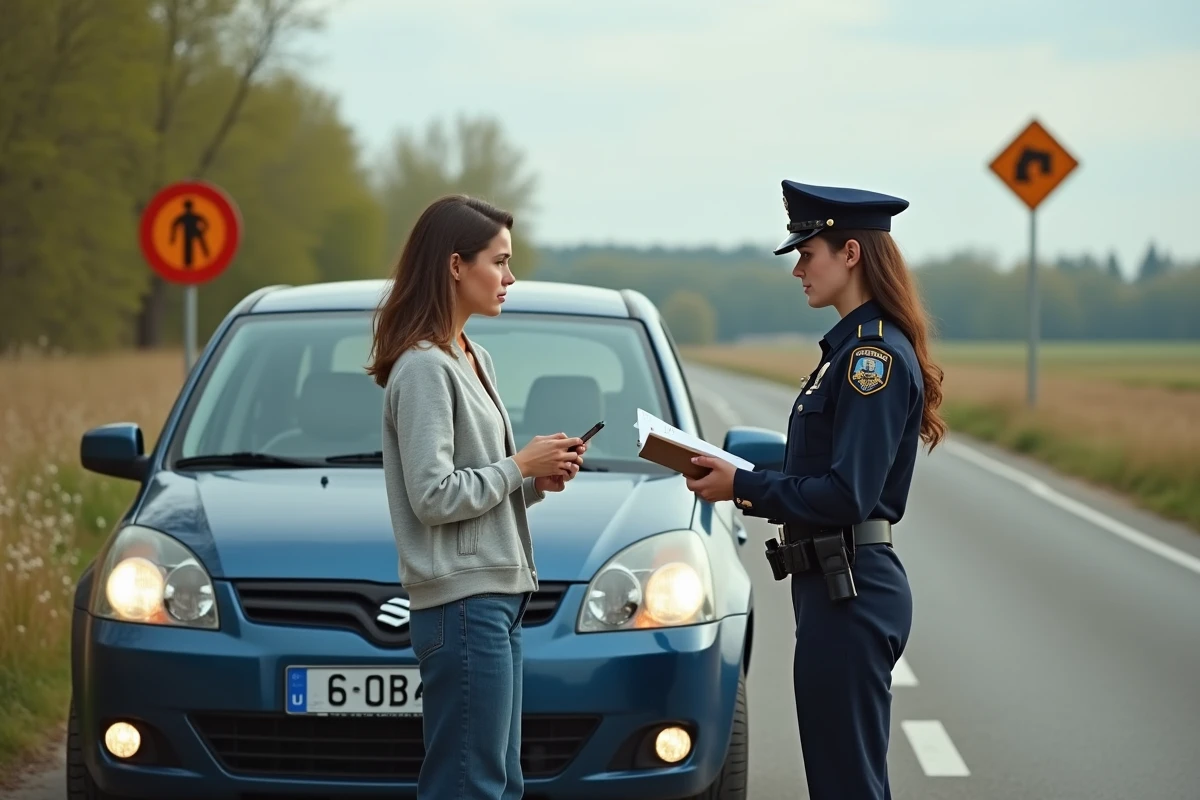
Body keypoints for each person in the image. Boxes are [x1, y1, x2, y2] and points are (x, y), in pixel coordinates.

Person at [684, 180, 947, 800]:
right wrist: (746, 473)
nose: (798, 268)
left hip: (850, 587)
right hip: (833, 585)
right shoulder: (848, 352)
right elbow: (821, 468)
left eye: (808, 253)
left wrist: (743, 487)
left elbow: (848, 493)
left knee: (846, 785)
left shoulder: (870, 360)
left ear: (850, 254)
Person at [366, 194, 587, 799]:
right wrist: (520, 465)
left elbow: (477, 488)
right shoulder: (424, 369)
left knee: (499, 781)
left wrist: (535, 481)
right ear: (456, 265)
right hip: (463, 606)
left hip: (496, 601)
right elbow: (433, 497)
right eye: (500, 261)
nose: (511, 277)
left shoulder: (473, 356)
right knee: (469, 784)